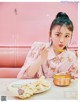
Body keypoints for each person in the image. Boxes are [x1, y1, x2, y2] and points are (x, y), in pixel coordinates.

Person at [17, 12, 78, 79]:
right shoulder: (38, 47)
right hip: (38, 89)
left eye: (66, 36)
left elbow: (74, 83)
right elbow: (24, 77)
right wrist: (41, 58)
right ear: (50, 34)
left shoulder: (71, 57)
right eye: (57, 35)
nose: (62, 40)